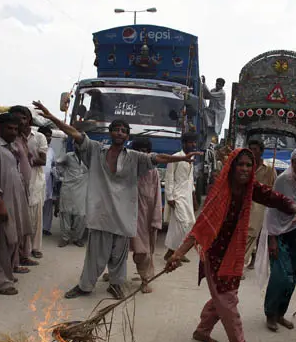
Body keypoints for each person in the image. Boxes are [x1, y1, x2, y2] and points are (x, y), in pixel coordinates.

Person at [32, 101, 200, 300]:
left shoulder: (136, 157)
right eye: (116, 129)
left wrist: (180, 159)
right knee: (94, 255)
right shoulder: (95, 150)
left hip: (124, 217)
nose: (120, 133)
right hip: (101, 214)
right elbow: (74, 133)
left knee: (118, 258)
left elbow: (159, 158)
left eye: (123, 131)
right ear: (110, 133)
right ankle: (85, 286)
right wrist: (51, 117)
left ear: (127, 136)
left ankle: (116, 285)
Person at [166, 148, 296, 342]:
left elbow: (274, 198)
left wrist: (294, 208)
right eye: (240, 164)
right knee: (228, 299)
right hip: (215, 256)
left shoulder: (251, 188)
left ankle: (202, 331)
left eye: (248, 165)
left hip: (234, 254)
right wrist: (178, 254)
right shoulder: (219, 193)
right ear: (232, 167)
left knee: (222, 297)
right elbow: (200, 228)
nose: (244, 169)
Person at [256, 147, 296, 332]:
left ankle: (281, 313)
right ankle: (270, 313)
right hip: (280, 234)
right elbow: (273, 210)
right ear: (291, 163)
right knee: (280, 276)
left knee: (291, 278)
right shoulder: (283, 180)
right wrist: (272, 239)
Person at [0, 113, 32, 295]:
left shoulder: (10, 148)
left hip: (14, 201)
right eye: (9, 128)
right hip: (1, 202)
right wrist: (0, 204)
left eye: (15, 129)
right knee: (1, 243)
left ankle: (7, 274)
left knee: (13, 240)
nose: (13, 132)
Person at [9, 105, 46, 263]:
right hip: (15, 182)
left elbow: (42, 160)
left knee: (34, 217)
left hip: (34, 182)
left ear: (29, 119)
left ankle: (33, 248)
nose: (20, 122)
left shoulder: (38, 137)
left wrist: (27, 158)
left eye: (23, 118)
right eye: (16, 119)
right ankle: (21, 251)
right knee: (19, 218)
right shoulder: (11, 137)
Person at [130, 137, 162, 293]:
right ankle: (114, 277)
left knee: (143, 251)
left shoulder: (153, 172)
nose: (142, 154)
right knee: (116, 249)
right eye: (139, 151)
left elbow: (156, 196)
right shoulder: (126, 167)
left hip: (144, 217)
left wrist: (156, 219)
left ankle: (145, 280)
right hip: (125, 215)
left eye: (145, 151)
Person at [243, 138, 277, 270]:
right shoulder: (246, 167)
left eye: (255, 150)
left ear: (261, 152)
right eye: (250, 149)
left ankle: (244, 263)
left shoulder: (269, 169)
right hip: (246, 205)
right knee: (246, 233)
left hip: (261, 208)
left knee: (253, 234)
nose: (252, 152)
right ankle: (248, 259)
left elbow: (274, 188)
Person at [164, 133, 198, 263]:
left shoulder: (191, 158)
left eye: (194, 143)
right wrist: (170, 197)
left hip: (187, 195)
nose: (193, 145)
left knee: (189, 224)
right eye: (190, 142)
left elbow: (190, 179)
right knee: (182, 224)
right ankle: (172, 252)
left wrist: (194, 197)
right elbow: (169, 178)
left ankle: (176, 251)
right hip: (177, 196)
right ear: (184, 143)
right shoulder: (175, 157)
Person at [55, 138, 88, 248]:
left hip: (83, 189)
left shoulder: (90, 158)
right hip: (68, 188)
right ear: (74, 146)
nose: (78, 147)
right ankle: (65, 238)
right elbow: (58, 164)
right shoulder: (68, 156)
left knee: (81, 215)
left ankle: (77, 238)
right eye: (76, 145)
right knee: (65, 213)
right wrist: (64, 175)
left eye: (80, 145)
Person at [38, 126, 56, 236]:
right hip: (37, 181)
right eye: (46, 136)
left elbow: (54, 165)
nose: (48, 138)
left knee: (48, 206)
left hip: (48, 182)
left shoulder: (51, 151)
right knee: (37, 205)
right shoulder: (34, 148)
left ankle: (46, 228)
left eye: (50, 136)